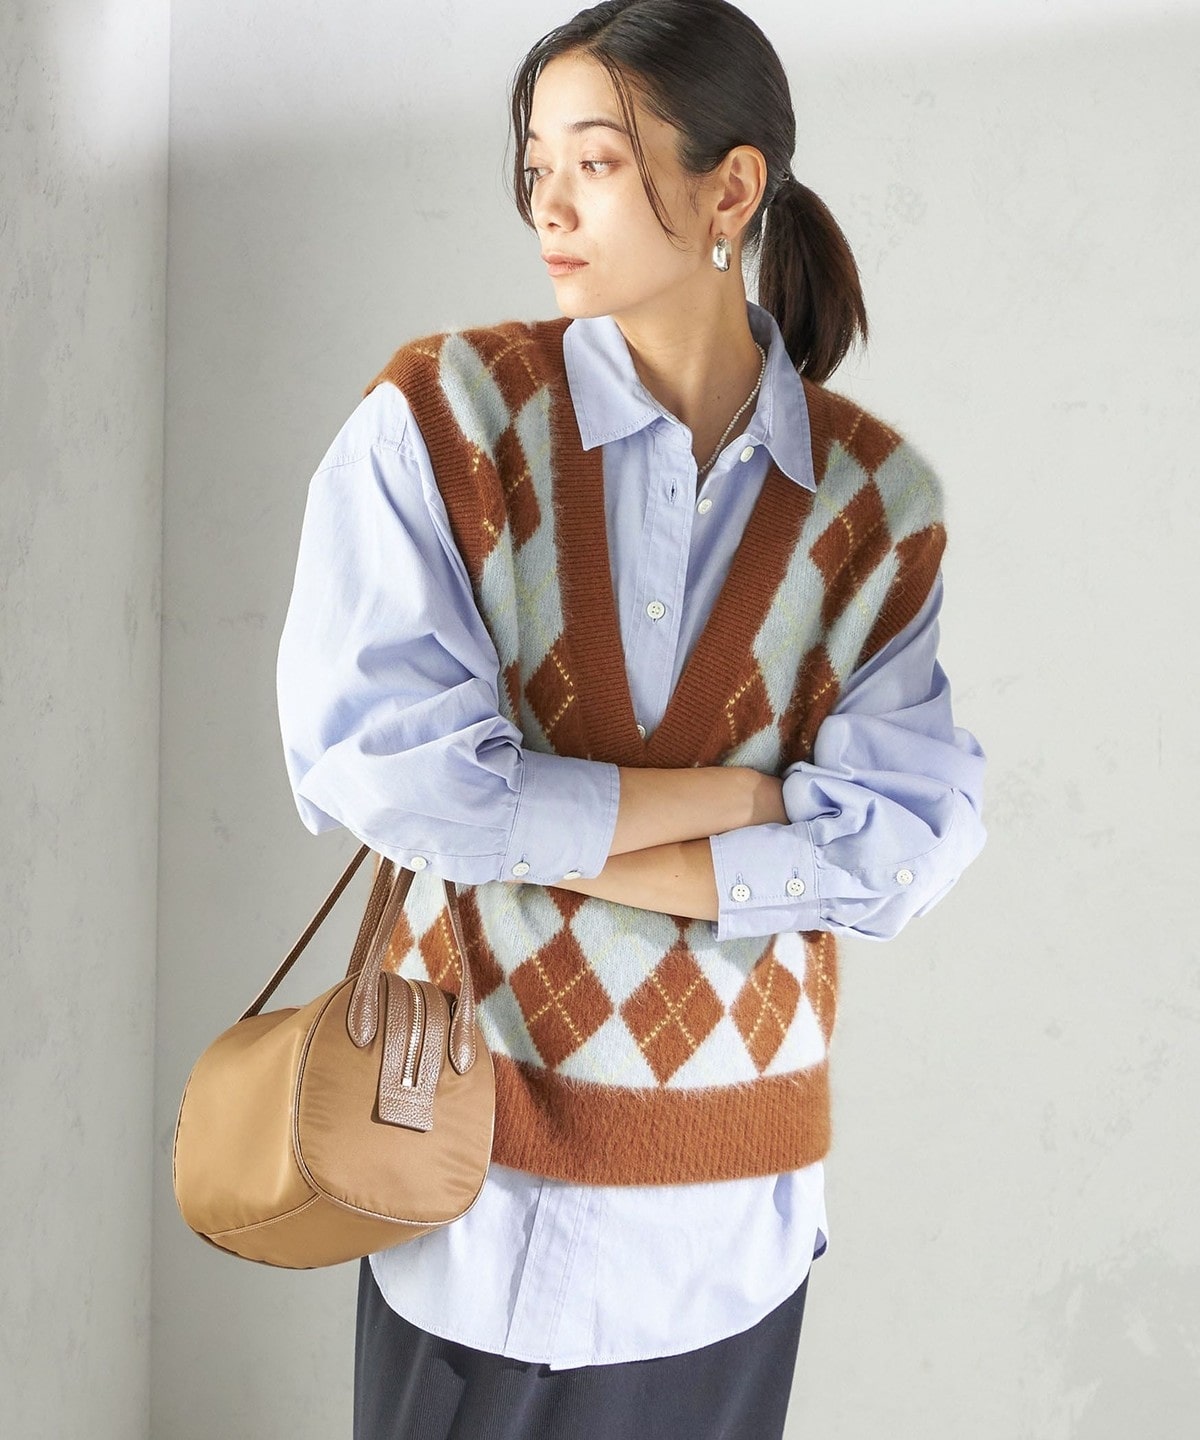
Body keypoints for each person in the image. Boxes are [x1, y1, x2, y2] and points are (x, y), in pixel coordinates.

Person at [275, 2, 987, 1435]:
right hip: (464, 1187)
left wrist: (541, 828)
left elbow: (904, 849)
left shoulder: (874, 501)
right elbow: (389, 776)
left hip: (728, 1220)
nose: (547, 203)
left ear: (732, 189)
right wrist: (748, 805)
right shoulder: (441, 422)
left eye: (595, 162)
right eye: (535, 164)